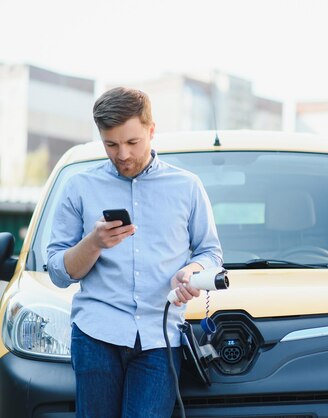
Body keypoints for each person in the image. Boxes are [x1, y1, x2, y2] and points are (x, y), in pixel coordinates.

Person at [47, 87, 223, 418]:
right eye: (111, 144)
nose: (123, 154)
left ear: (151, 130)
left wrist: (192, 273)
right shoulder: (79, 188)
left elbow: (210, 253)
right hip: (95, 337)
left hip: (160, 339)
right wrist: (94, 243)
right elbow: (58, 271)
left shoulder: (187, 187)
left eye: (132, 142)